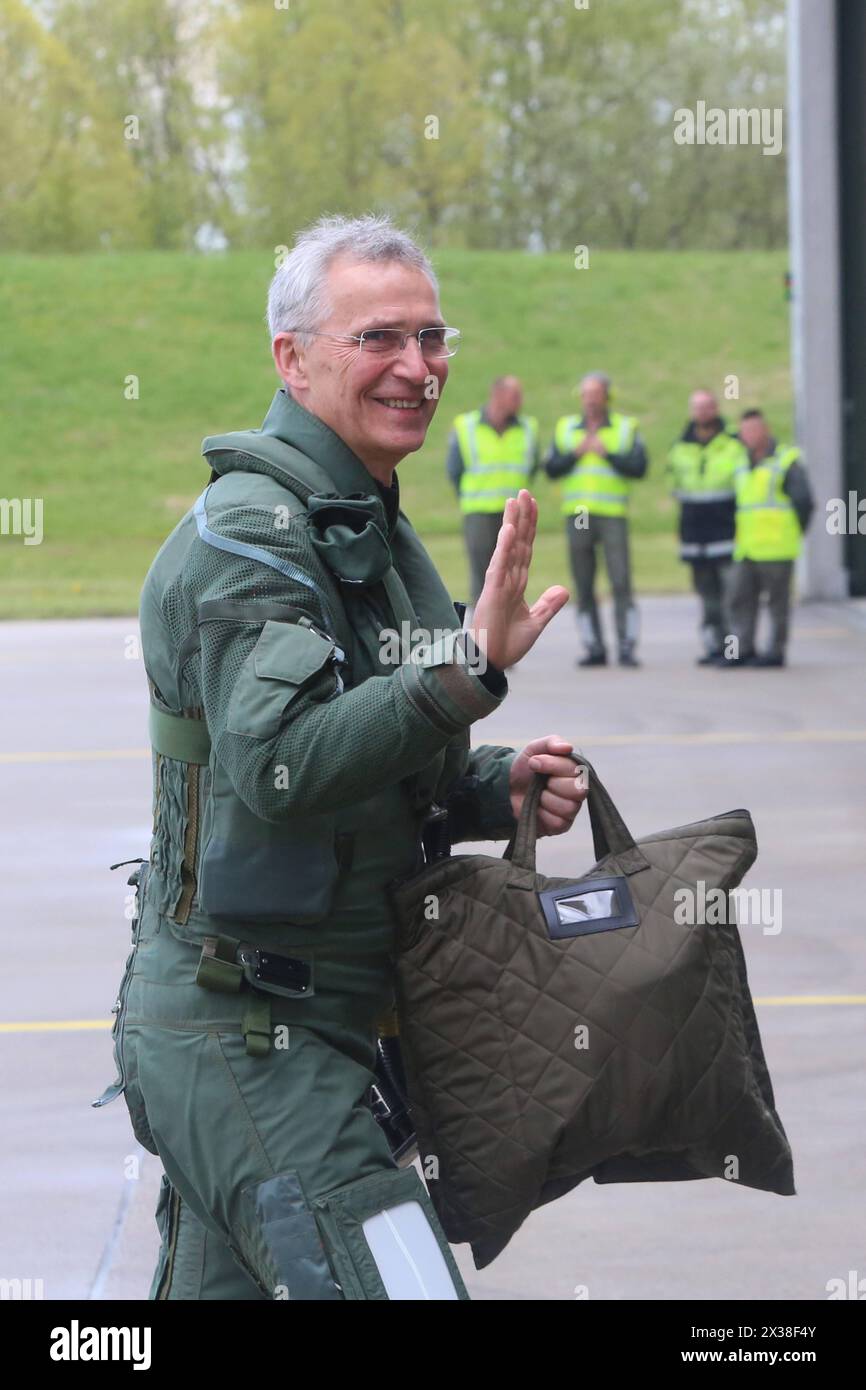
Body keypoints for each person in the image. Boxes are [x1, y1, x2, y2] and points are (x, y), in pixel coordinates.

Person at [94, 214, 586, 1301]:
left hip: (306, 1027)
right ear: (293, 357)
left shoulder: (358, 523)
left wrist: (484, 779)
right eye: (378, 338)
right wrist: (464, 669)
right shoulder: (251, 538)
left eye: (431, 336)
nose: (418, 367)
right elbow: (281, 765)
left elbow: (364, 761)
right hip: (246, 1037)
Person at [545, 372, 648, 667]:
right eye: (585, 394)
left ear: (606, 397)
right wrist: (576, 454)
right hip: (578, 515)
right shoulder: (566, 428)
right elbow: (551, 468)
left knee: (620, 581)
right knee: (583, 582)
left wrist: (608, 454)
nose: (590, 400)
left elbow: (639, 467)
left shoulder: (626, 428)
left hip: (612, 514)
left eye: (595, 394)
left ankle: (626, 645)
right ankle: (593, 646)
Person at [720, 409, 814, 668]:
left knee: (777, 604)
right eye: (745, 431)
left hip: (777, 548)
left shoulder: (786, 460)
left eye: (753, 430)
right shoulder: (740, 462)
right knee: (738, 599)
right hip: (747, 548)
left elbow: (805, 502)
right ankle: (742, 649)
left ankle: (775, 652)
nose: (749, 436)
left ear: (766, 430)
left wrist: (794, 533)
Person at [667, 390, 748, 664]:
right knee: (708, 600)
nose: (702, 412)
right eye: (697, 407)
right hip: (694, 534)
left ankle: (734, 650)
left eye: (707, 407)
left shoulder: (733, 444)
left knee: (732, 598)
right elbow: (674, 487)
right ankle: (714, 647)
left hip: (726, 531)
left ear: (716, 409)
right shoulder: (680, 447)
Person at [446, 376, 540, 609]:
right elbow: (455, 470)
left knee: (512, 574)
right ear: (497, 394)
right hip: (478, 512)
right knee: (483, 575)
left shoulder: (528, 427)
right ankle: (482, 637)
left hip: (514, 512)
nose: (520, 401)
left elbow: (533, 465)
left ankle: (508, 632)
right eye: (515, 396)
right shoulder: (466, 426)